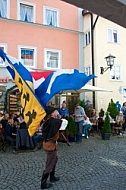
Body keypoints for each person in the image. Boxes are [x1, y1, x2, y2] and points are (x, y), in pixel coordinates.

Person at [41, 106, 62, 189]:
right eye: (55, 111)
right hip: (50, 146)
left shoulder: (49, 121)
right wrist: (59, 117)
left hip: (50, 144)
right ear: (52, 113)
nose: (56, 111)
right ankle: (43, 183)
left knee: (54, 159)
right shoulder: (52, 122)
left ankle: (52, 177)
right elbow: (61, 122)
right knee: (49, 164)